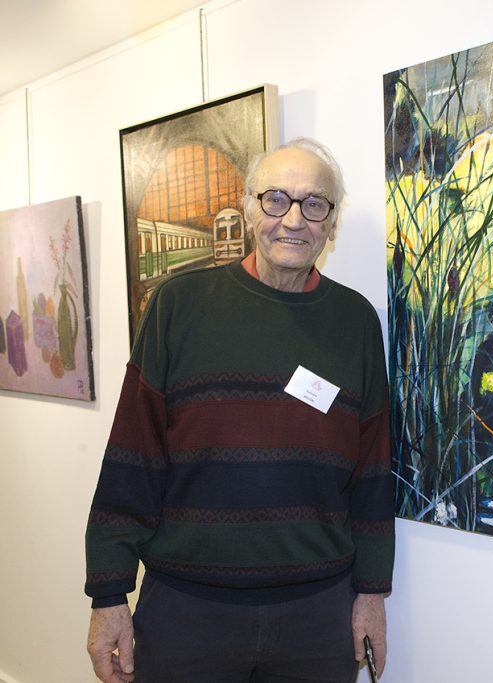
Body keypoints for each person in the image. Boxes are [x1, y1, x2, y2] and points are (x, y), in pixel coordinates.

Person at [85, 138, 395, 683]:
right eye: (276, 199)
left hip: (317, 617)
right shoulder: (179, 305)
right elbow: (133, 454)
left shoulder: (356, 322)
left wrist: (371, 593)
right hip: (186, 612)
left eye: (314, 204)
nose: (293, 220)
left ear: (331, 223)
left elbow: (372, 470)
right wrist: (109, 593)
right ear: (250, 209)